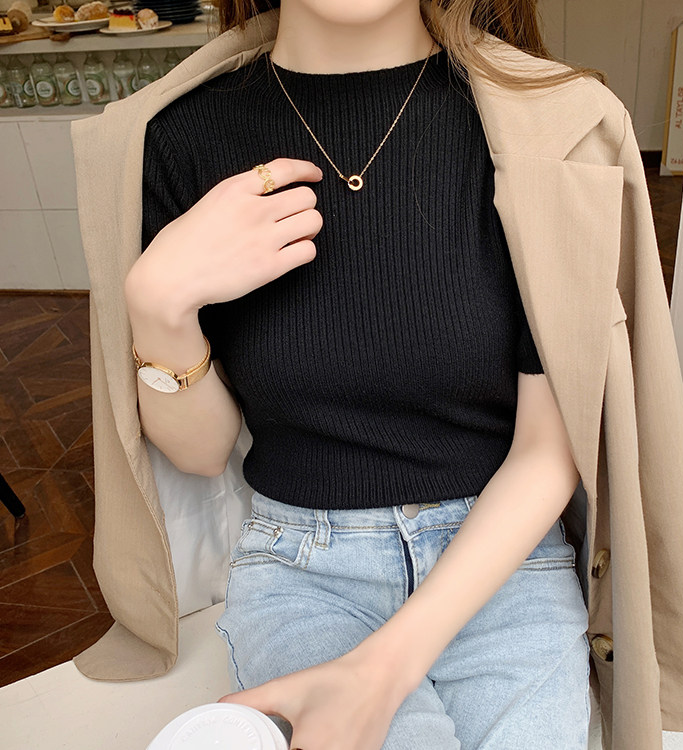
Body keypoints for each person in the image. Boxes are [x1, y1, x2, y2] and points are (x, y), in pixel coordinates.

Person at [124, 1, 608, 748]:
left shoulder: (543, 127)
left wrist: (383, 669)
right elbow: (201, 451)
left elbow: (551, 448)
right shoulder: (180, 138)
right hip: (301, 571)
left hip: (504, 562)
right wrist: (158, 307)